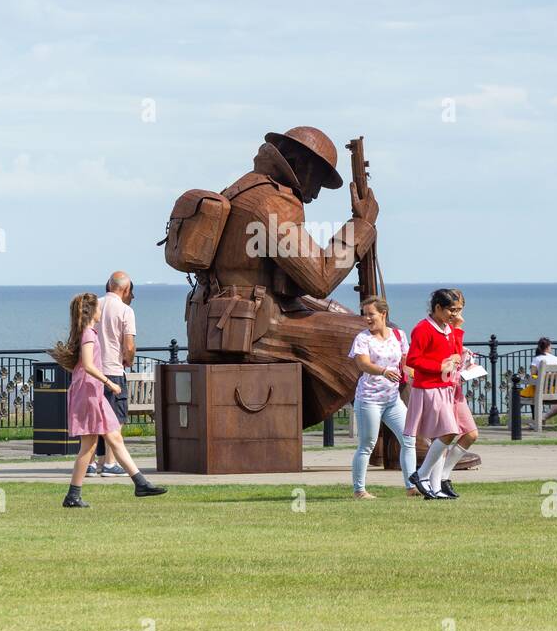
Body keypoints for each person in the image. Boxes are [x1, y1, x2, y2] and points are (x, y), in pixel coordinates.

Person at [184, 126, 379, 428]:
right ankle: (409, 445)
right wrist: (361, 226)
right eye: (318, 180)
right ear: (299, 166)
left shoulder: (240, 189)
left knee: (345, 317)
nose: (316, 192)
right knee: (375, 337)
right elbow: (320, 277)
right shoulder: (272, 202)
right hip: (252, 330)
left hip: (216, 321)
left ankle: (381, 442)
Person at [51, 293, 166, 507]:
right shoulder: (88, 335)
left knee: (114, 437)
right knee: (89, 445)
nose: (101, 311)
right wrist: (109, 383)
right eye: (98, 308)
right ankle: (73, 495)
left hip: (91, 392)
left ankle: (140, 483)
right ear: (92, 312)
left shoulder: (88, 333)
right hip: (90, 393)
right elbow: (87, 364)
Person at [347, 296, 411, 499]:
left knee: (408, 438)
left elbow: (407, 364)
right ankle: (359, 490)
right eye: (364, 314)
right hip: (369, 400)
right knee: (367, 444)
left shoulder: (399, 336)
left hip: (392, 400)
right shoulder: (363, 338)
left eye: (370, 314)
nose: (366, 318)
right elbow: (363, 364)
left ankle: (412, 487)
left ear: (383, 314)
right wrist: (383, 371)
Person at [404, 288, 464, 500]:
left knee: (442, 437)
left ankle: (435, 488)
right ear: (438, 308)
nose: (454, 315)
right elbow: (412, 360)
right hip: (429, 388)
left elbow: (453, 352)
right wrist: (440, 366)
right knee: (448, 432)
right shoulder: (422, 329)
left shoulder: (446, 328)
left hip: (443, 387)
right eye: (451, 310)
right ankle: (421, 475)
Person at [90, 271, 137, 478]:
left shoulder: (94, 306)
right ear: (126, 289)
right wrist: (129, 359)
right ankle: (110, 463)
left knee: (93, 418)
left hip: (92, 370)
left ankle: (91, 464)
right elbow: (128, 344)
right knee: (115, 418)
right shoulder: (126, 311)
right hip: (113, 370)